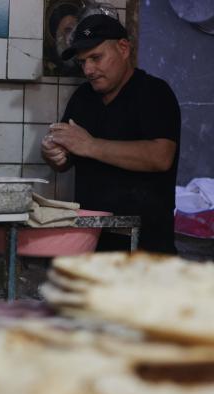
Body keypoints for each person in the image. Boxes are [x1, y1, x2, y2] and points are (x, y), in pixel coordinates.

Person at [41, 13, 181, 254]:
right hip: (92, 243)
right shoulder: (83, 98)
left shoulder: (154, 93)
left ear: (123, 48)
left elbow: (161, 157)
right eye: (83, 62)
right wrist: (53, 154)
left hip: (146, 247)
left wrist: (90, 145)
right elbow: (65, 159)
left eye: (96, 58)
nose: (89, 69)